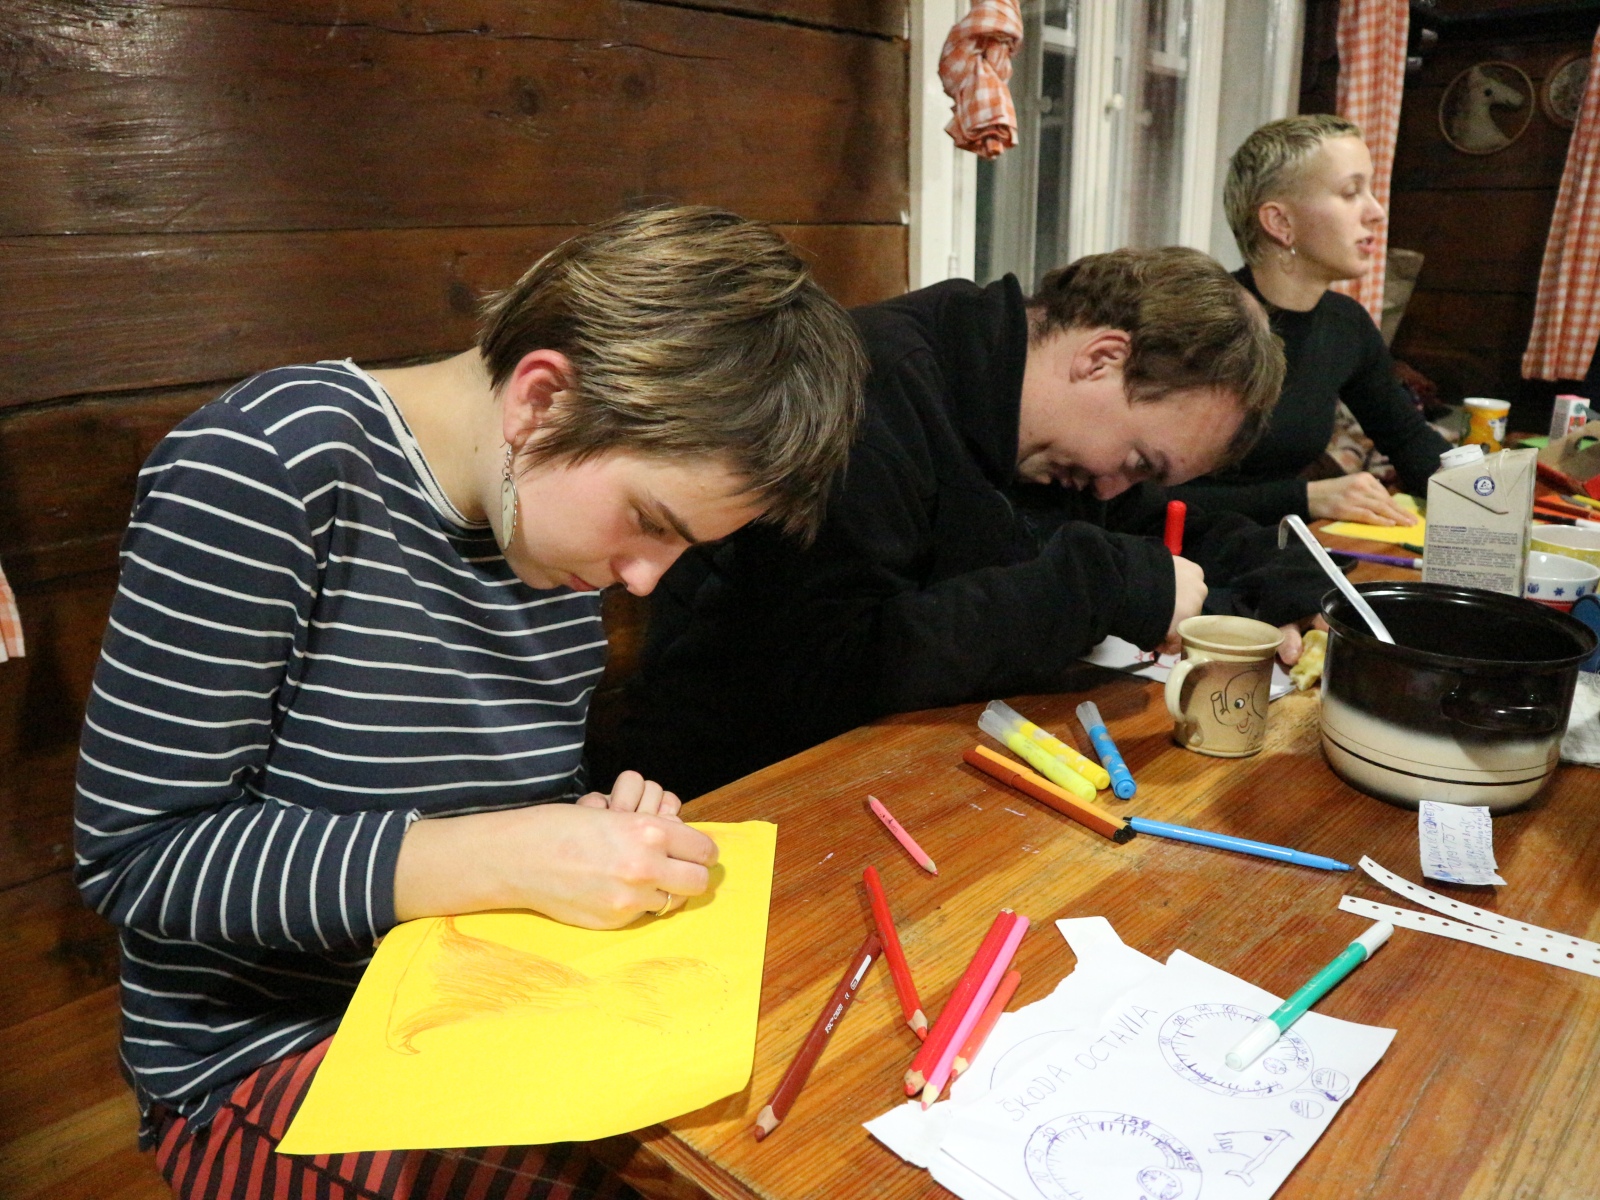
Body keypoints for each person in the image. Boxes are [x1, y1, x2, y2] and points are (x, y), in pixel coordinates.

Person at [72, 207, 866, 1200]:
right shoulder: (269, 465)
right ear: (541, 400)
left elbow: (481, 810)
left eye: (683, 547)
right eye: (648, 523)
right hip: (270, 1050)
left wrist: (587, 831)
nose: (644, 579)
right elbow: (138, 856)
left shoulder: (544, 530)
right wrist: (509, 853)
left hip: (473, 990)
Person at [606, 247, 1332, 802]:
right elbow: (823, 672)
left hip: (914, 770)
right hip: (733, 793)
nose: (1116, 487)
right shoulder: (870, 394)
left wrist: (1283, 586)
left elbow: (1160, 525)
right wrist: (1094, 588)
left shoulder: (1047, 434)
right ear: (1101, 359)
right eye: (1138, 460)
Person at [1170, 114, 1452, 527]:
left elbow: (1408, 439)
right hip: (1173, 555)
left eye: (1370, 192)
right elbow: (1132, 500)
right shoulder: (1197, 321)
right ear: (1280, 222)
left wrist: (1487, 497)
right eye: (1350, 192)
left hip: (1271, 546)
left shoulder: (1346, 323)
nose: (1376, 212)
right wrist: (1303, 498)